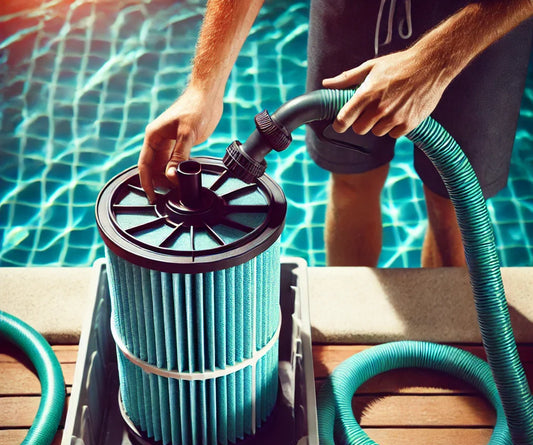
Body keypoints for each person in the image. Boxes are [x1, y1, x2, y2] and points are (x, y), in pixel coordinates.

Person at [138, 0, 533, 267]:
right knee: (349, 184)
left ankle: (447, 357)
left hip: (480, 12)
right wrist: (203, 86)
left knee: (452, 204)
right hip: (356, 9)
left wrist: (438, 60)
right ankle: (352, 358)